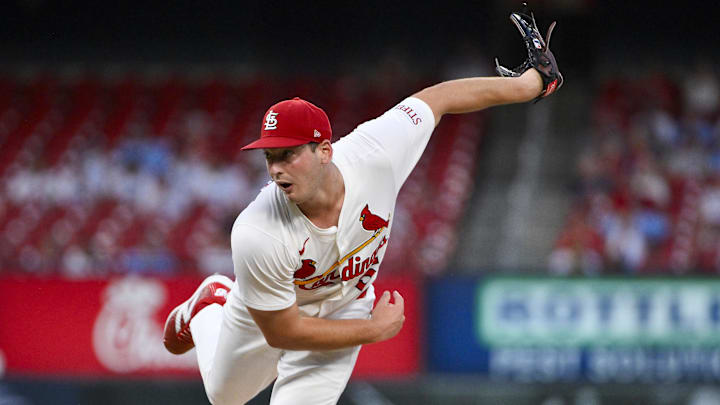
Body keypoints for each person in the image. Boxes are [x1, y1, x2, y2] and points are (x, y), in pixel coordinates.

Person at [163, 8, 563, 405]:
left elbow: (437, 99)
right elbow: (283, 332)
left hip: (344, 307)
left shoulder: (374, 153)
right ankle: (213, 300)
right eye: (270, 158)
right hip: (273, 314)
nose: (277, 169)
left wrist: (529, 86)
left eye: (288, 155)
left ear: (324, 151)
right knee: (223, 396)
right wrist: (373, 331)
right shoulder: (257, 231)